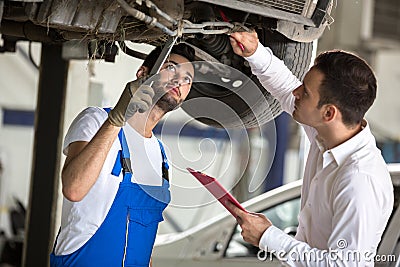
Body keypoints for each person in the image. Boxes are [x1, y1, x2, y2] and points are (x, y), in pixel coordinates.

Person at [227, 31, 394, 266]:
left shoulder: (359, 180)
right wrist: (255, 53)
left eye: (304, 91)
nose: (297, 92)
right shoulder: (325, 133)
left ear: (329, 113)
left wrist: (268, 237)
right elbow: (287, 90)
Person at [50, 43, 195, 267]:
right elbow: (73, 188)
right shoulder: (96, 120)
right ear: (143, 74)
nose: (179, 80)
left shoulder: (161, 155)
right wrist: (116, 120)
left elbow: (143, 240)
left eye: (188, 79)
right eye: (171, 68)